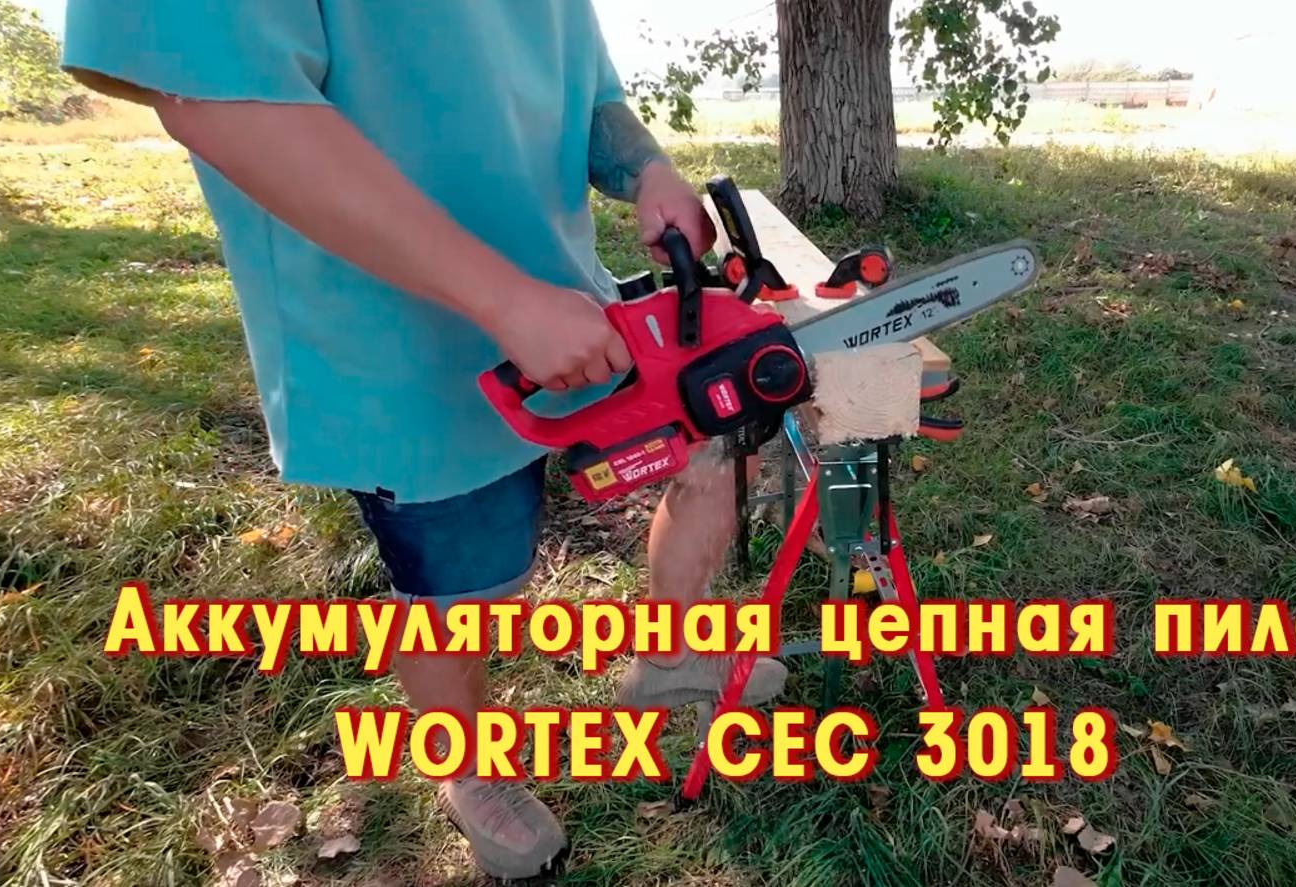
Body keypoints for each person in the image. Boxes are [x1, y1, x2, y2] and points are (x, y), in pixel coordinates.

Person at [61, 1, 787, 879]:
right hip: (396, 340)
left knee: (715, 443)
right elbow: (218, 99)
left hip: (570, 304)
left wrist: (649, 170)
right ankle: (469, 770)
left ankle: (669, 656)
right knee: (465, 584)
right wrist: (503, 302)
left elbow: (586, 92)